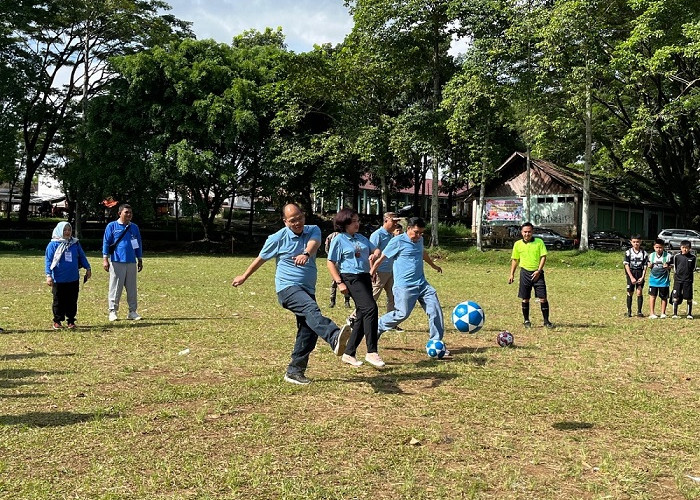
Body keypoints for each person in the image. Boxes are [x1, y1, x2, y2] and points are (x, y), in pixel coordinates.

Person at [232, 203, 352, 385]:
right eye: (292, 220)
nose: (297, 223)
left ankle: (294, 371)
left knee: (309, 330)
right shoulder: (277, 238)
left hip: (307, 289)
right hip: (287, 288)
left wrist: (305, 253)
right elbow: (261, 259)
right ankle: (334, 336)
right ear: (285, 221)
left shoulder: (313, 230)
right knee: (310, 309)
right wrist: (244, 276)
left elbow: (314, 244)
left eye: (300, 218)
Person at [370, 217, 447, 355]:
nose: (418, 236)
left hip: (422, 284)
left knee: (435, 309)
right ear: (408, 229)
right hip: (404, 286)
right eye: (416, 232)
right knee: (402, 314)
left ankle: (436, 343)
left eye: (421, 233)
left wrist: (433, 265)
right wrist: (372, 272)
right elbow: (382, 258)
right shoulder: (397, 241)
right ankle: (378, 326)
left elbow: (422, 253)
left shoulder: (420, 240)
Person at [327, 208, 383, 368]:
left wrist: (375, 254)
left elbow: (375, 249)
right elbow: (330, 262)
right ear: (344, 223)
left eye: (358, 220)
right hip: (350, 277)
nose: (357, 224)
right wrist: (339, 282)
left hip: (365, 277)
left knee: (362, 314)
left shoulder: (361, 238)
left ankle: (349, 353)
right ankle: (372, 351)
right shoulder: (339, 240)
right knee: (371, 308)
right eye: (354, 221)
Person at [45, 222, 91, 329]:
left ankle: (71, 320)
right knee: (58, 301)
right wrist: (48, 275)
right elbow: (48, 261)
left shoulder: (75, 243)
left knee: (72, 300)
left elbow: (82, 256)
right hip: (58, 279)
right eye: (64, 230)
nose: (67, 232)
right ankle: (57, 321)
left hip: (73, 278)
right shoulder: (53, 245)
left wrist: (88, 268)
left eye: (69, 230)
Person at [102, 204, 143, 321]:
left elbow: (138, 243)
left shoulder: (134, 227)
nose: (129, 214)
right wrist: (105, 259)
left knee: (132, 288)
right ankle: (113, 311)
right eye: (126, 212)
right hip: (117, 261)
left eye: (130, 212)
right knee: (115, 287)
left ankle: (132, 311)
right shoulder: (112, 226)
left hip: (131, 261)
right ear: (120, 213)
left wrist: (139, 258)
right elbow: (106, 242)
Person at [508, 222, 553, 328]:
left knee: (543, 298)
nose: (527, 234)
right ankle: (526, 320)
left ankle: (546, 321)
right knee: (525, 298)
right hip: (524, 273)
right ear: (521, 232)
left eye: (529, 232)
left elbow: (543, 256)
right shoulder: (517, 244)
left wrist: (538, 270)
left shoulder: (539, 242)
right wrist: (512, 274)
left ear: (532, 232)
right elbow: (515, 260)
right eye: (525, 232)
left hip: (538, 273)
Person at [369, 212, 401, 316]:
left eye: (397, 222)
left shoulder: (393, 235)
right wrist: (372, 271)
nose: (395, 224)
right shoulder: (377, 235)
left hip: (391, 271)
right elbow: (371, 254)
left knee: (393, 297)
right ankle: (354, 318)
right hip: (379, 271)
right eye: (393, 221)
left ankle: (391, 322)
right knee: (372, 298)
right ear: (386, 220)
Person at [324, 230, 351, 309]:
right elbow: (327, 248)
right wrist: (332, 257)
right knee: (334, 282)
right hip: (335, 262)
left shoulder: (347, 236)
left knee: (346, 281)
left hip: (344, 262)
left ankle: (347, 301)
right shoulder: (331, 236)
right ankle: (332, 301)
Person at [623, 234, 648, 317]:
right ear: (631, 242)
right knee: (630, 292)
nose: (636, 243)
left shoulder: (644, 253)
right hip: (631, 273)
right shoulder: (628, 252)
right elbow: (626, 265)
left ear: (640, 242)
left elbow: (645, 266)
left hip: (640, 273)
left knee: (639, 292)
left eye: (637, 242)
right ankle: (629, 311)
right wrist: (631, 277)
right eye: (634, 242)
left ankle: (639, 311)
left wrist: (643, 277)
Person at [670, 240, 696, 319]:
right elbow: (675, 268)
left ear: (690, 248)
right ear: (680, 247)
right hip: (678, 280)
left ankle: (689, 314)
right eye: (683, 248)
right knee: (676, 296)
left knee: (689, 297)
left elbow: (693, 268)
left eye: (686, 248)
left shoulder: (693, 257)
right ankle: (675, 314)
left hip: (688, 280)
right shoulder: (677, 256)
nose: (684, 249)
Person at [647, 238, 670, 319]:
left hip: (664, 281)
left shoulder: (668, 256)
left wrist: (668, 266)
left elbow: (672, 266)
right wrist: (649, 266)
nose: (658, 249)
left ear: (663, 247)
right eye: (657, 247)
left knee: (664, 297)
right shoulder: (651, 256)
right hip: (653, 280)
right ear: (654, 247)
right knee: (652, 296)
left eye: (660, 247)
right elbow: (648, 264)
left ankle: (663, 313)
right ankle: (652, 313)